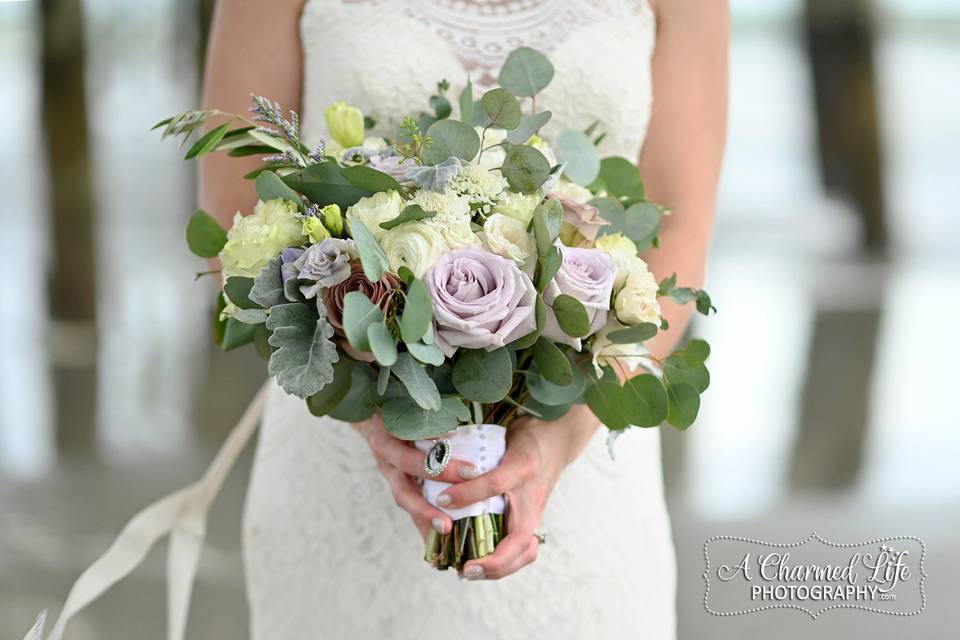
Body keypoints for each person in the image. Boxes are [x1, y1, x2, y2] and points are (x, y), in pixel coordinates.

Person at [201, 1, 727, 637]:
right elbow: (235, 219)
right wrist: (375, 420)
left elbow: (680, 232)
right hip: (339, 450)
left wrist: (556, 442)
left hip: (585, 450)